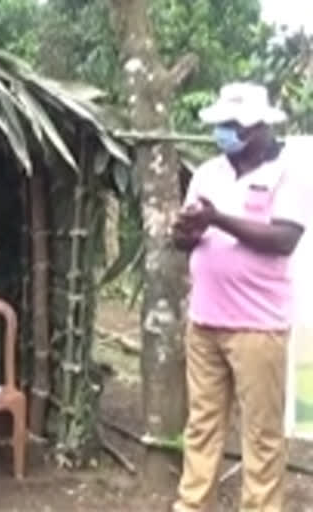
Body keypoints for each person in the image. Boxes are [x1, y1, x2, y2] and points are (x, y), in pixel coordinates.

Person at [171, 83, 313, 512]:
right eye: (220, 125)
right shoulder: (207, 172)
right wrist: (185, 233)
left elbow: (284, 238)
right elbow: (187, 240)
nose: (222, 133)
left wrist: (219, 219)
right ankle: (192, 506)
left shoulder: (289, 172)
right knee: (202, 427)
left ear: (257, 128)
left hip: (258, 327)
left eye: (230, 125)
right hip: (205, 320)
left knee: (261, 436)